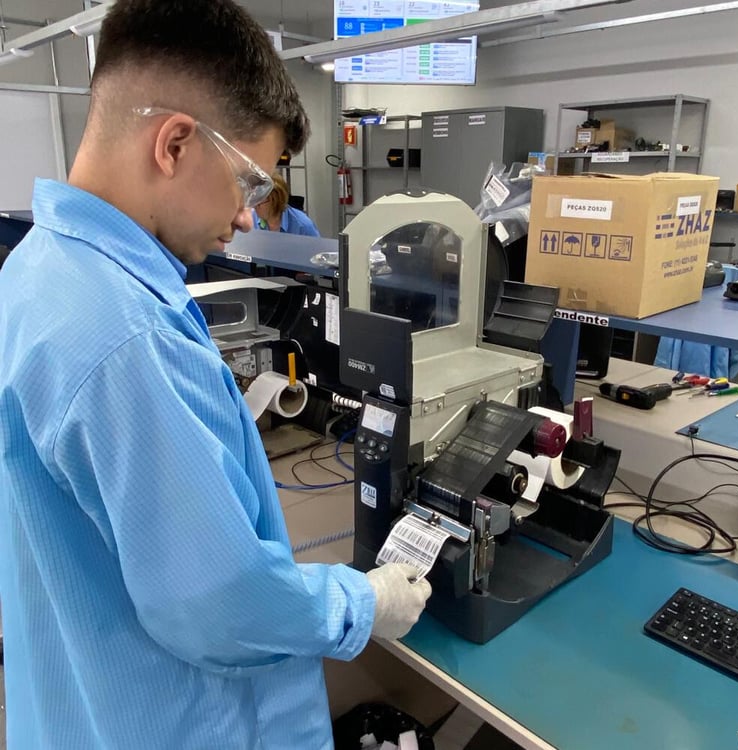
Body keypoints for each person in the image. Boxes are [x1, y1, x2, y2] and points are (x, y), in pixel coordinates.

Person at [0, 2, 430, 749]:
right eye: (249, 182)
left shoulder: (34, 271)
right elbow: (221, 605)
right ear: (174, 144)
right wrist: (362, 602)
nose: (247, 218)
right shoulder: (128, 338)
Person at [255, 171, 321, 236]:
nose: (254, 206)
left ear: (276, 201)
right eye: (254, 200)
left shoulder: (303, 226)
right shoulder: (252, 220)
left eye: (259, 203)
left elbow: (316, 243)